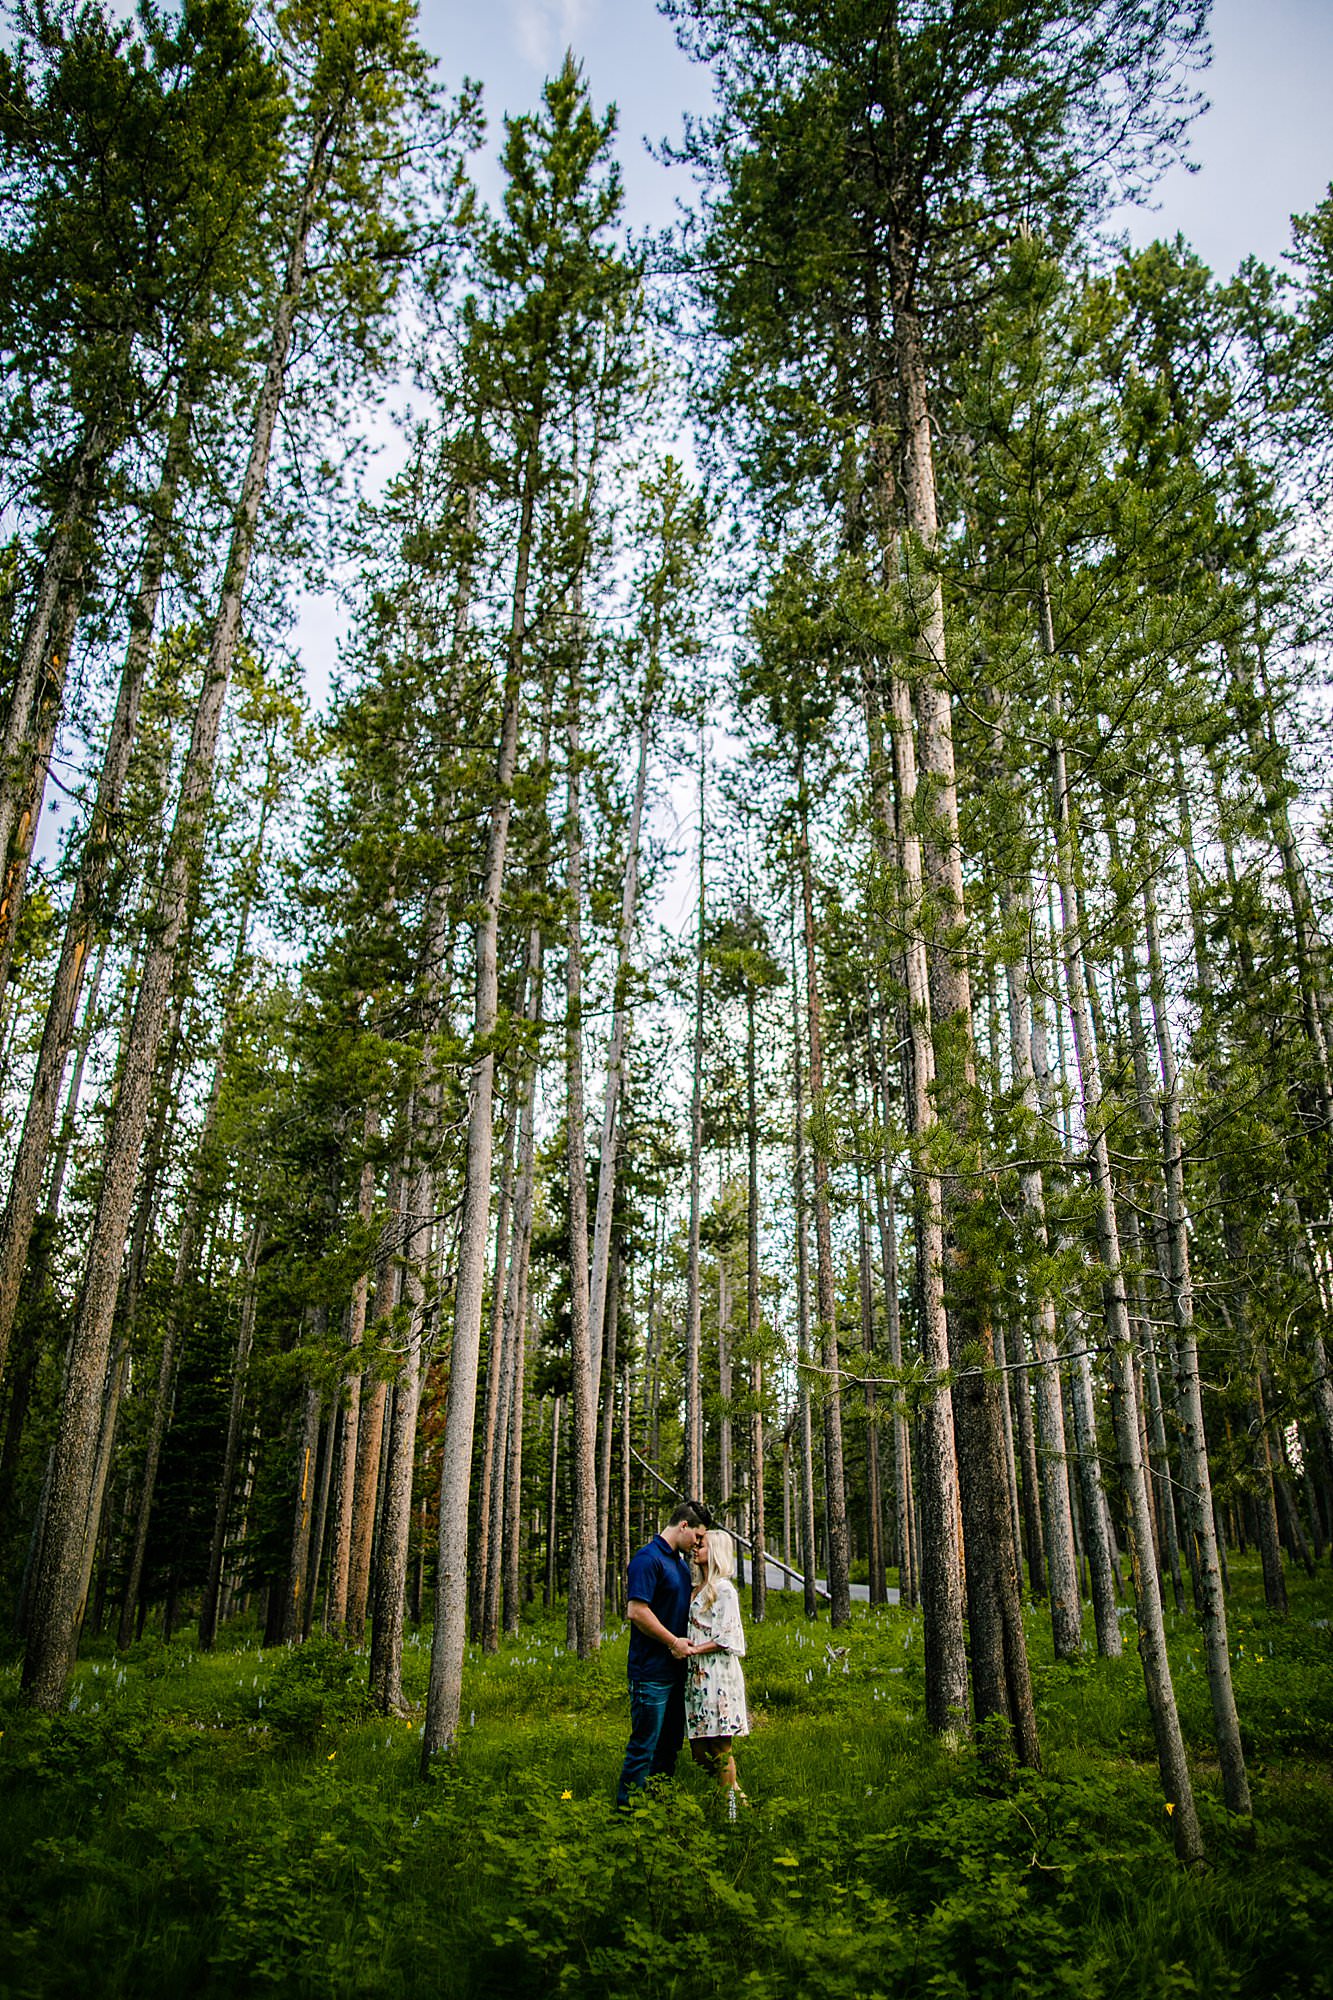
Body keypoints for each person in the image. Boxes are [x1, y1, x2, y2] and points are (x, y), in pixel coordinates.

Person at [615, 1500, 712, 1809]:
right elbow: (637, 1611)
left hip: (676, 1672)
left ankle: (659, 1808)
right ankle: (625, 1816)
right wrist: (673, 1642)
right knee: (644, 1746)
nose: (698, 1544)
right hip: (650, 1673)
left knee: (670, 1746)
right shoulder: (648, 1559)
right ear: (683, 1525)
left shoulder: (680, 1565)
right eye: (697, 1536)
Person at [684, 1526, 750, 1808]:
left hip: (719, 1676)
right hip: (697, 1675)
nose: (696, 1547)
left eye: (703, 1544)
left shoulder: (724, 1590)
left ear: (717, 1552)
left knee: (720, 1747)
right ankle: (736, 1794)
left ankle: (731, 1809)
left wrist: (693, 1648)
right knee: (699, 1750)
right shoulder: (697, 1587)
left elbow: (727, 1636)